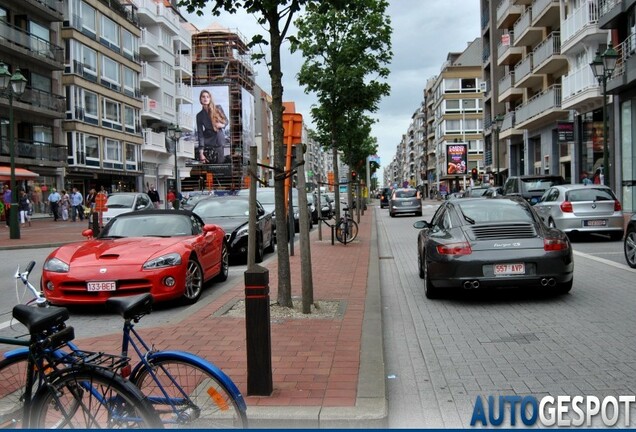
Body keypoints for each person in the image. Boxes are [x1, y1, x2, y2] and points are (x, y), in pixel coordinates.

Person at [196, 89, 228, 164]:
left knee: (219, 166)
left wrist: (221, 125)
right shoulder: (199, 115)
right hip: (208, 142)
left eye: (207, 97)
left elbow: (226, 121)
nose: (205, 98)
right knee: (209, 169)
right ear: (200, 99)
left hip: (218, 140)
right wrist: (201, 152)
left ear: (210, 98)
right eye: (203, 97)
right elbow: (200, 134)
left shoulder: (218, 108)